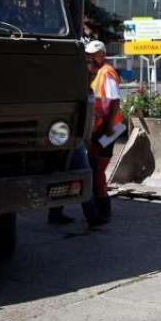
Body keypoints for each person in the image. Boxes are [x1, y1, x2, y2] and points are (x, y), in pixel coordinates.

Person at [49, 51, 107, 227]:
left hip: (72, 139)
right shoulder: (76, 90)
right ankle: (92, 216)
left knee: (65, 176)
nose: (92, 76)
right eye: (90, 73)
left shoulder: (84, 89)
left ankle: (55, 213)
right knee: (84, 174)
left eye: (94, 74)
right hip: (72, 140)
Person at [86, 39, 122, 222]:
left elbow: (115, 100)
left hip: (107, 130)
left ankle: (103, 210)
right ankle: (98, 209)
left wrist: (108, 126)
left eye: (93, 54)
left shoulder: (106, 73)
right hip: (100, 128)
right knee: (93, 168)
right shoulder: (97, 72)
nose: (89, 57)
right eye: (89, 54)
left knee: (98, 169)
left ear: (102, 55)